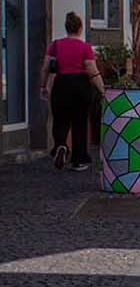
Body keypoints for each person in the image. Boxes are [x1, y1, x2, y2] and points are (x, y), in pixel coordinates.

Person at [40, 11, 106, 171]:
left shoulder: (55, 45)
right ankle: (79, 160)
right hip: (81, 85)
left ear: (66, 28)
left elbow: (46, 67)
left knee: (60, 119)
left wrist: (43, 86)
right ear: (80, 28)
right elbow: (91, 69)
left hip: (61, 84)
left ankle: (61, 145)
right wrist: (103, 89)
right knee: (80, 122)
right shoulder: (85, 47)